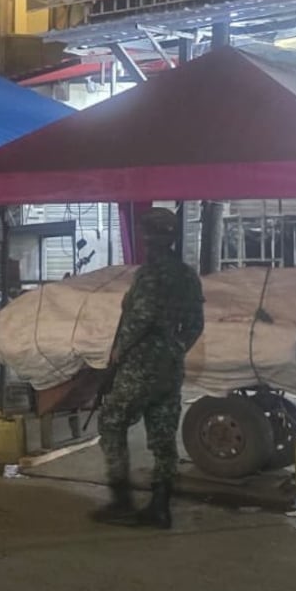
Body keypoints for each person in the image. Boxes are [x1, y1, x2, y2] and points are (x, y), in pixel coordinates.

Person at [93, 207, 204, 530]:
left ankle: (121, 502)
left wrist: (119, 351)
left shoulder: (150, 274)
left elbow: (139, 318)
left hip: (140, 362)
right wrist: (174, 347)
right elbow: (196, 325)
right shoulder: (187, 275)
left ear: (149, 239)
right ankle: (160, 506)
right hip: (171, 365)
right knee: (162, 434)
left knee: (111, 421)